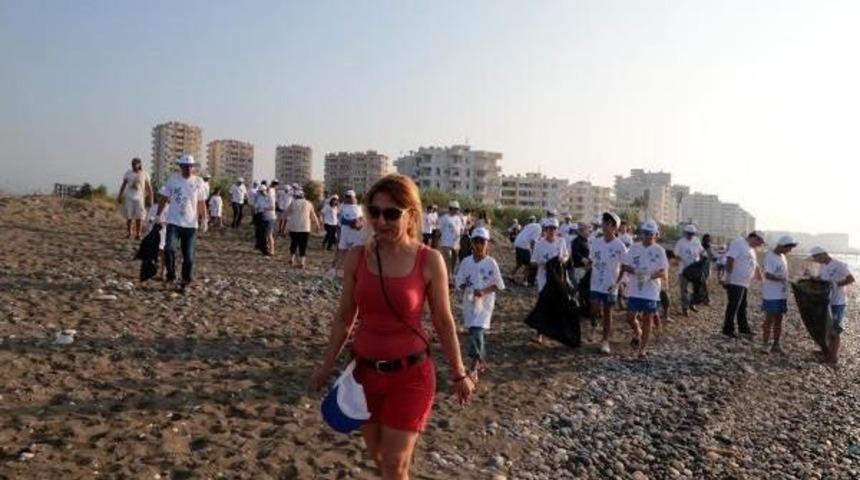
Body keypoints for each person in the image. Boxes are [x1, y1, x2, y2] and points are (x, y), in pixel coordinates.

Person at [312, 174, 473, 480]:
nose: (381, 221)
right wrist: (326, 366)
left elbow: (443, 320)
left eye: (391, 213)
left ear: (411, 214)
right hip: (364, 376)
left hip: (410, 376)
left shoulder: (430, 260)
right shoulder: (358, 258)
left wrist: (459, 372)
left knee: (393, 466)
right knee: (380, 459)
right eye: (374, 212)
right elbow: (345, 317)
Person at [454, 227, 505, 381]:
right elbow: (459, 282)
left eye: (481, 241)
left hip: (485, 305)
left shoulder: (491, 263)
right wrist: (465, 288)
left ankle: (473, 368)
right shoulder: (466, 262)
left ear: (487, 244)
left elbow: (499, 285)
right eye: (475, 241)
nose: (478, 245)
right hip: (469, 303)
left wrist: (484, 291)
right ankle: (481, 361)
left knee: (477, 331)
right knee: (475, 332)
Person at [157, 155, 207, 292]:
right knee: (169, 249)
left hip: (191, 225)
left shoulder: (198, 181)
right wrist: (158, 215)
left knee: (189, 257)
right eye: (185, 166)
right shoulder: (173, 180)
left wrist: (205, 219)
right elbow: (164, 198)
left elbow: (201, 202)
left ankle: (185, 281)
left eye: (190, 166)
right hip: (174, 222)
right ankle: (171, 275)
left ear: (193, 167)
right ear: (180, 167)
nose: (188, 169)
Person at [621, 221, 669, 359]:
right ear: (642, 234)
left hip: (651, 291)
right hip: (635, 289)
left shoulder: (659, 250)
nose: (648, 236)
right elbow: (625, 266)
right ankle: (638, 331)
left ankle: (642, 349)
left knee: (648, 319)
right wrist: (637, 272)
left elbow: (664, 272)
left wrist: (650, 276)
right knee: (630, 317)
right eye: (646, 233)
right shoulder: (634, 248)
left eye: (651, 234)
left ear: (655, 235)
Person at [589, 212, 628, 353]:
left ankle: (605, 341)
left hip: (611, 284)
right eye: (604, 222)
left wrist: (618, 283)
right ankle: (593, 323)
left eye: (609, 223)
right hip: (595, 282)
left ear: (615, 227)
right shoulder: (596, 242)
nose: (605, 225)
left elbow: (624, 266)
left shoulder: (620, 246)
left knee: (607, 312)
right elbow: (592, 259)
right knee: (593, 308)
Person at [810, 246, 856, 365]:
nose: (817, 261)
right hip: (826, 302)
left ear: (824, 254)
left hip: (837, 302)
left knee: (835, 330)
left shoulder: (840, 265)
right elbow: (822, 279)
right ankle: (828, 352)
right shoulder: (822, 266)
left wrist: (835, 284)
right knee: (827, 328)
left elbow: (851, 279)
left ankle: (833, 358)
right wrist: (814, 278)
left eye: (817, 258)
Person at [722, 231, 766, 338]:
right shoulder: (739, 243)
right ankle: (728, 329)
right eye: (760, 242)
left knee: (742, 306)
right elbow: (730, 259)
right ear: (754, 237)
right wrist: (727, 277)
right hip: (735, 281)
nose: (760, 245)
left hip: (745, 283)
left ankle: (743, 328)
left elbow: (755, 264)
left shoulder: (751, 249)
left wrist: (760, 276)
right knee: (733, 306)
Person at [760, 235, 798, 354]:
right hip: (771, 294)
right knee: (769, 320)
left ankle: (776, 344)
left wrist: (788, 279)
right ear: (782, 246)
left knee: (779, 320)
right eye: (789, 248)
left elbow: (783, 274)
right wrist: (783, 280)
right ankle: (765, 344)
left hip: (782, 294)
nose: (790, 251)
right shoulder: (770, 257)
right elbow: (768, 275)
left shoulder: (783, 257)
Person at [117, 157, 154, 240]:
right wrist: (120, 195)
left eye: (135, 164)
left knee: (139, 217)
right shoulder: (128, 173)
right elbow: (123, 185)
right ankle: (129, 233)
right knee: (129, 216)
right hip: (129, 197)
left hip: (140, 198)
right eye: (132, 164)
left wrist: (151, 198)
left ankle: (138, 234)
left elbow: (149, 187)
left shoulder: (144, 173)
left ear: (139, 164)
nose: (133, 165)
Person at [330, 190, 366, 276]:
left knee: (350, 252)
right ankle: (335, 269)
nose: (349, 199)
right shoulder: (345, 207)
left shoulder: (357, 207)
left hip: (353, 234)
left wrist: (358, 223)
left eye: (350, 197)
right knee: (342, 251)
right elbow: (341, 220)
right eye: (348, 197)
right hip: (347, 233)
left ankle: (342, 270)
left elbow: (361, 221)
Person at [530, 218, 570, 294]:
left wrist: (563, 260)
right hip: (544, 277)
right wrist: (543, 263)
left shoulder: (561, 241)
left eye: (554, 228)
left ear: (557, 230)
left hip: (558, 275)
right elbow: (532, 262)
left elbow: (566, 255)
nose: (552, 231)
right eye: (550, 228)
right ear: (545, 230)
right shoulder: (539, 244)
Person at [286, 189, 321, 269]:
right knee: (303, 245)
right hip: (305, 227)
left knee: (294, 243)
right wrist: (317, 224)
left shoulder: (293, 203)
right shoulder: (309, 203)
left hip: (294, 227)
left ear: (296, 196)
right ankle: (302, 262)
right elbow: (313, 215)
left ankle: (292, 259)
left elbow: (286, 213)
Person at [674, 224, 705, 316]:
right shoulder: (680, 242)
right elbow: (676, 253)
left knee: (697, 289)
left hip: (695, 270)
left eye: (692, 234)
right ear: (685, 233)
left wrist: (703, 258)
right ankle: (685, 308)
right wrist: (682, 260)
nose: (690, 235)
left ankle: (693, 304)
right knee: (684, 290)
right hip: (684, 270)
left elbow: (702, 251)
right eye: (689, 233)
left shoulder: (696, 241)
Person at [145, 186, 170, 280]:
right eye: (160, 196)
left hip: (165, 233)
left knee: (163, 253)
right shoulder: (154, 207)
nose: (162, 198)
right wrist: (153, 221)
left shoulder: (171, 208)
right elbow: (148, 219)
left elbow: (172, 221)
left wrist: (164, 223)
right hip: (154, 232)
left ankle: (162, 273)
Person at [438, 201, 465, 283]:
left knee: (454, 260)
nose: (457, 211)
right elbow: (439, 230)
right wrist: (438, 241)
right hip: (446, 243)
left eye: (458, 209)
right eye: (456, 209)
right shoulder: (444, 218)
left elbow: (461, 229)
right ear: (451, 209)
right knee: (448, 258)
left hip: (456, 244)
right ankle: (448, 277)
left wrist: (461, 234)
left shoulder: (458, 218)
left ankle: (450, 275)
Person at [511, 216, 541, 287]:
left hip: (517, 243)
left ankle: (511, 275)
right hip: (524, 245)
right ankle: (525, 281)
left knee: (520, 263)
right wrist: (534, 253)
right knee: (528, 264)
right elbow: (532, 242)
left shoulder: (528, 225)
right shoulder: (538, 228)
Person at [253, 184, 277, 256]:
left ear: (265, 191)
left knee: (269, 234)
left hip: (270, 217)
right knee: (263, 234)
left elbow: (272, 207)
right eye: (259, 192)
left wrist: (262, 208)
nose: (260, 193)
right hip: (262, 217)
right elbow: (256, 206)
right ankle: (265, 248)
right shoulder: (260, 198)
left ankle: (272, 250)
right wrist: (257, 209)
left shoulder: (270, 197)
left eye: (261, 191)